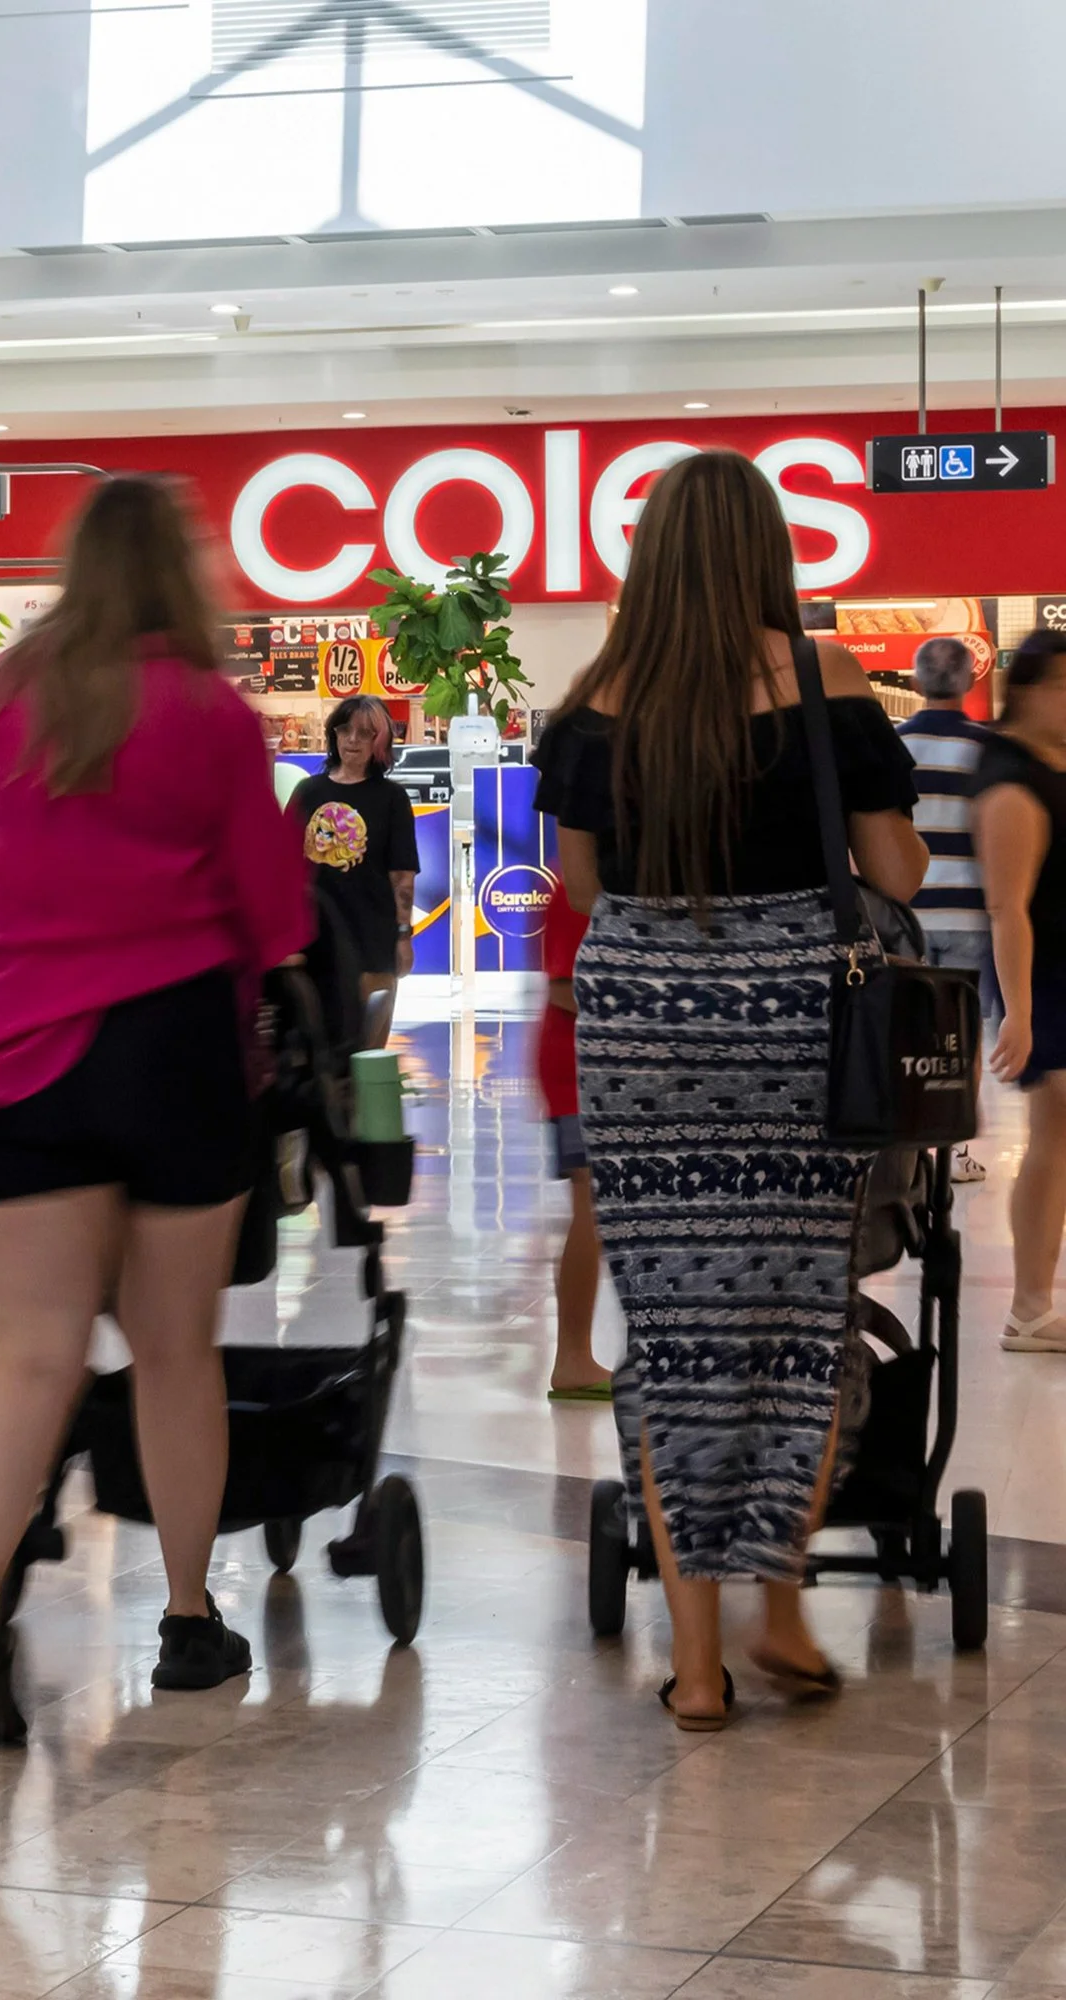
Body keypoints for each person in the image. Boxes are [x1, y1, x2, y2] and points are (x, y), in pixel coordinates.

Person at [534, 450, 925, 1730]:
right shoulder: (822, 679)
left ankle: (694, 1665)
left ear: (646, 557)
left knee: (674, 1334)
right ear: (768, 548)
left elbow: (583, 888)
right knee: (793, 1320)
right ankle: (777, 1607)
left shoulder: (595, 699)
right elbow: (894, 870)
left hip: (640, 1027)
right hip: (794, 1026)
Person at [0, 475, 311, 1742]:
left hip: (27, 1048)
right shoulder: (209, 710)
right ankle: (190, 1617)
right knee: (174, 1347)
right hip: (175, 1043)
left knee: (30, 1350)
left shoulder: (4, 698)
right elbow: (271, 905)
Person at [975, 629, 1066, 1354]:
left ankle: (1034, 1301)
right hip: (1050, 979)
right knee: (1054, 1136)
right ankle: (1030, 1303)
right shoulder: (1011, 779)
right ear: (1028, 690)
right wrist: (1021, 1013)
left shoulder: (1048, 764)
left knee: (1058, 1139)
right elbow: (1008, 906)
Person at [897, 635, 996, 1183]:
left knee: (906, 1034)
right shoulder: (986, 749)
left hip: (907, 914)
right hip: (969, 916)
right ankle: (956, 1153)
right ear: (970, 681)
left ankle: (909, 1152)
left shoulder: (894, 746)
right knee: (963, 1035)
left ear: (915, 682)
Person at [288, 696, 419, 1049]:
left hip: (372, 936)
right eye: (345, 730)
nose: (352, 741)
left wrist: (403, 935)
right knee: (319, 1042)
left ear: (380, 742)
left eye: (364, 734)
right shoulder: (308, 791)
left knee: (368, 1048)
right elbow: (284, 866)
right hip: (314, 935)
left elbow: (402, 875)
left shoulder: (392, 798)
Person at [534, 881, 611, 1402]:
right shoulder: (576, 894)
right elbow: (565, 986)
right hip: (577, 1069)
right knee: (593, 1207)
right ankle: (573, 1356)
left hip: (597, 1066)